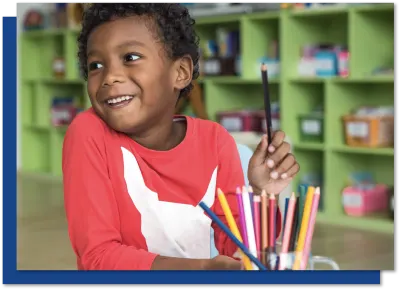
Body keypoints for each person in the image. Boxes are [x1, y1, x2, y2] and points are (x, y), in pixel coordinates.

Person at [62, 2, 300, 271]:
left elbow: (241, 254)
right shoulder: (88, 133)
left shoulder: (215, 141)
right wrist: (201, 269)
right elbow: (97, 257)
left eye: (130, 58)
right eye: (96, 65)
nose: (109, 77)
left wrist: (262, 196)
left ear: (180, 73)